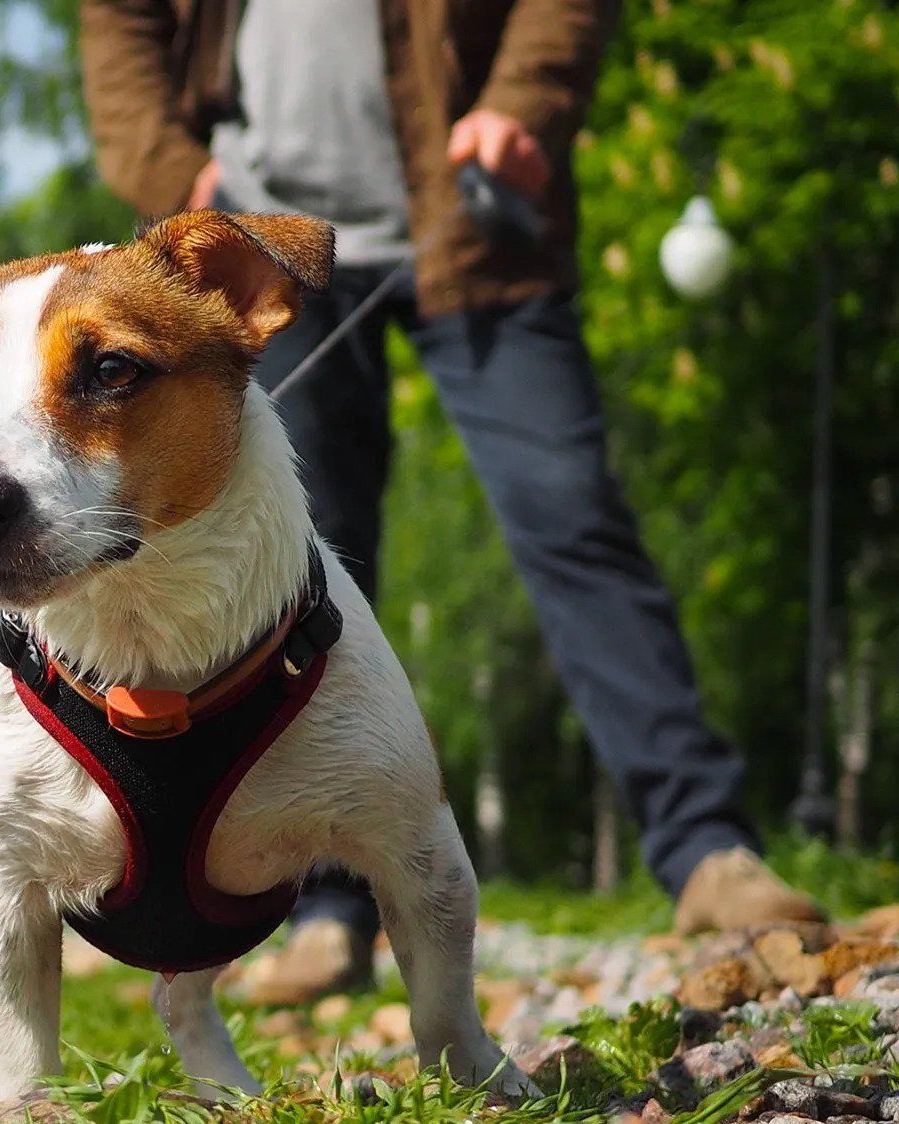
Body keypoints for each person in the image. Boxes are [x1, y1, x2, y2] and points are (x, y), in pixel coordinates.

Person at [80, 0, 825, 1003]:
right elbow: (120, 26)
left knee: (571, 517)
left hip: (476, 225)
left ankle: (707, 851)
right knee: (294, 572)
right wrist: (181, 179)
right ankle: (327, 910)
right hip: (257, 252)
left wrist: (521, 103)